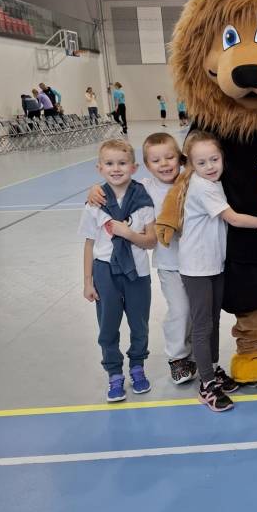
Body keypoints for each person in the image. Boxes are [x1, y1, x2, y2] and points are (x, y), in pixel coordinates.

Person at [172, 131, 257, 411]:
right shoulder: (203, 187)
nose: (210, 166)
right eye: (201, 162)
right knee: (202, 325)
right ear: (191, 164)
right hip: (197, 267)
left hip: (214, 263)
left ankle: (212, 369)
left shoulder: (214, 182)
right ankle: (207, 384)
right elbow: (233, 219)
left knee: (211, 321)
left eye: (214, 159)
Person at [86, 133, 197, 386]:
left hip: (200, 261)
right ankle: (178, 357)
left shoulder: (193, 182)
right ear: (146, 165)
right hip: (170, 263)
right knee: (180, 311)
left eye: (170, 157)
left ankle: (201, 355)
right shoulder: (144, 187)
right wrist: (93, 190)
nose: (164, 164)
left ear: (180, 159)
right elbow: (116, 185)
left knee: (199, 313)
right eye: (156, 160)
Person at [78, 138, 156, 402]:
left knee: (139, 324)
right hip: (104, 272)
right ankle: (114, 373)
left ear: (134, 167)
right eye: (109, 163)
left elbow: (151, 241)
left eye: (122, 163)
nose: (116, 168)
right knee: (108, 326)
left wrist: (128, 233)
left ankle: (137, 367)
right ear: (99, 168)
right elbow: (89, 244)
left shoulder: (143, 199)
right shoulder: (94, 203)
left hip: (137, 272)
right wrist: (87, 282)